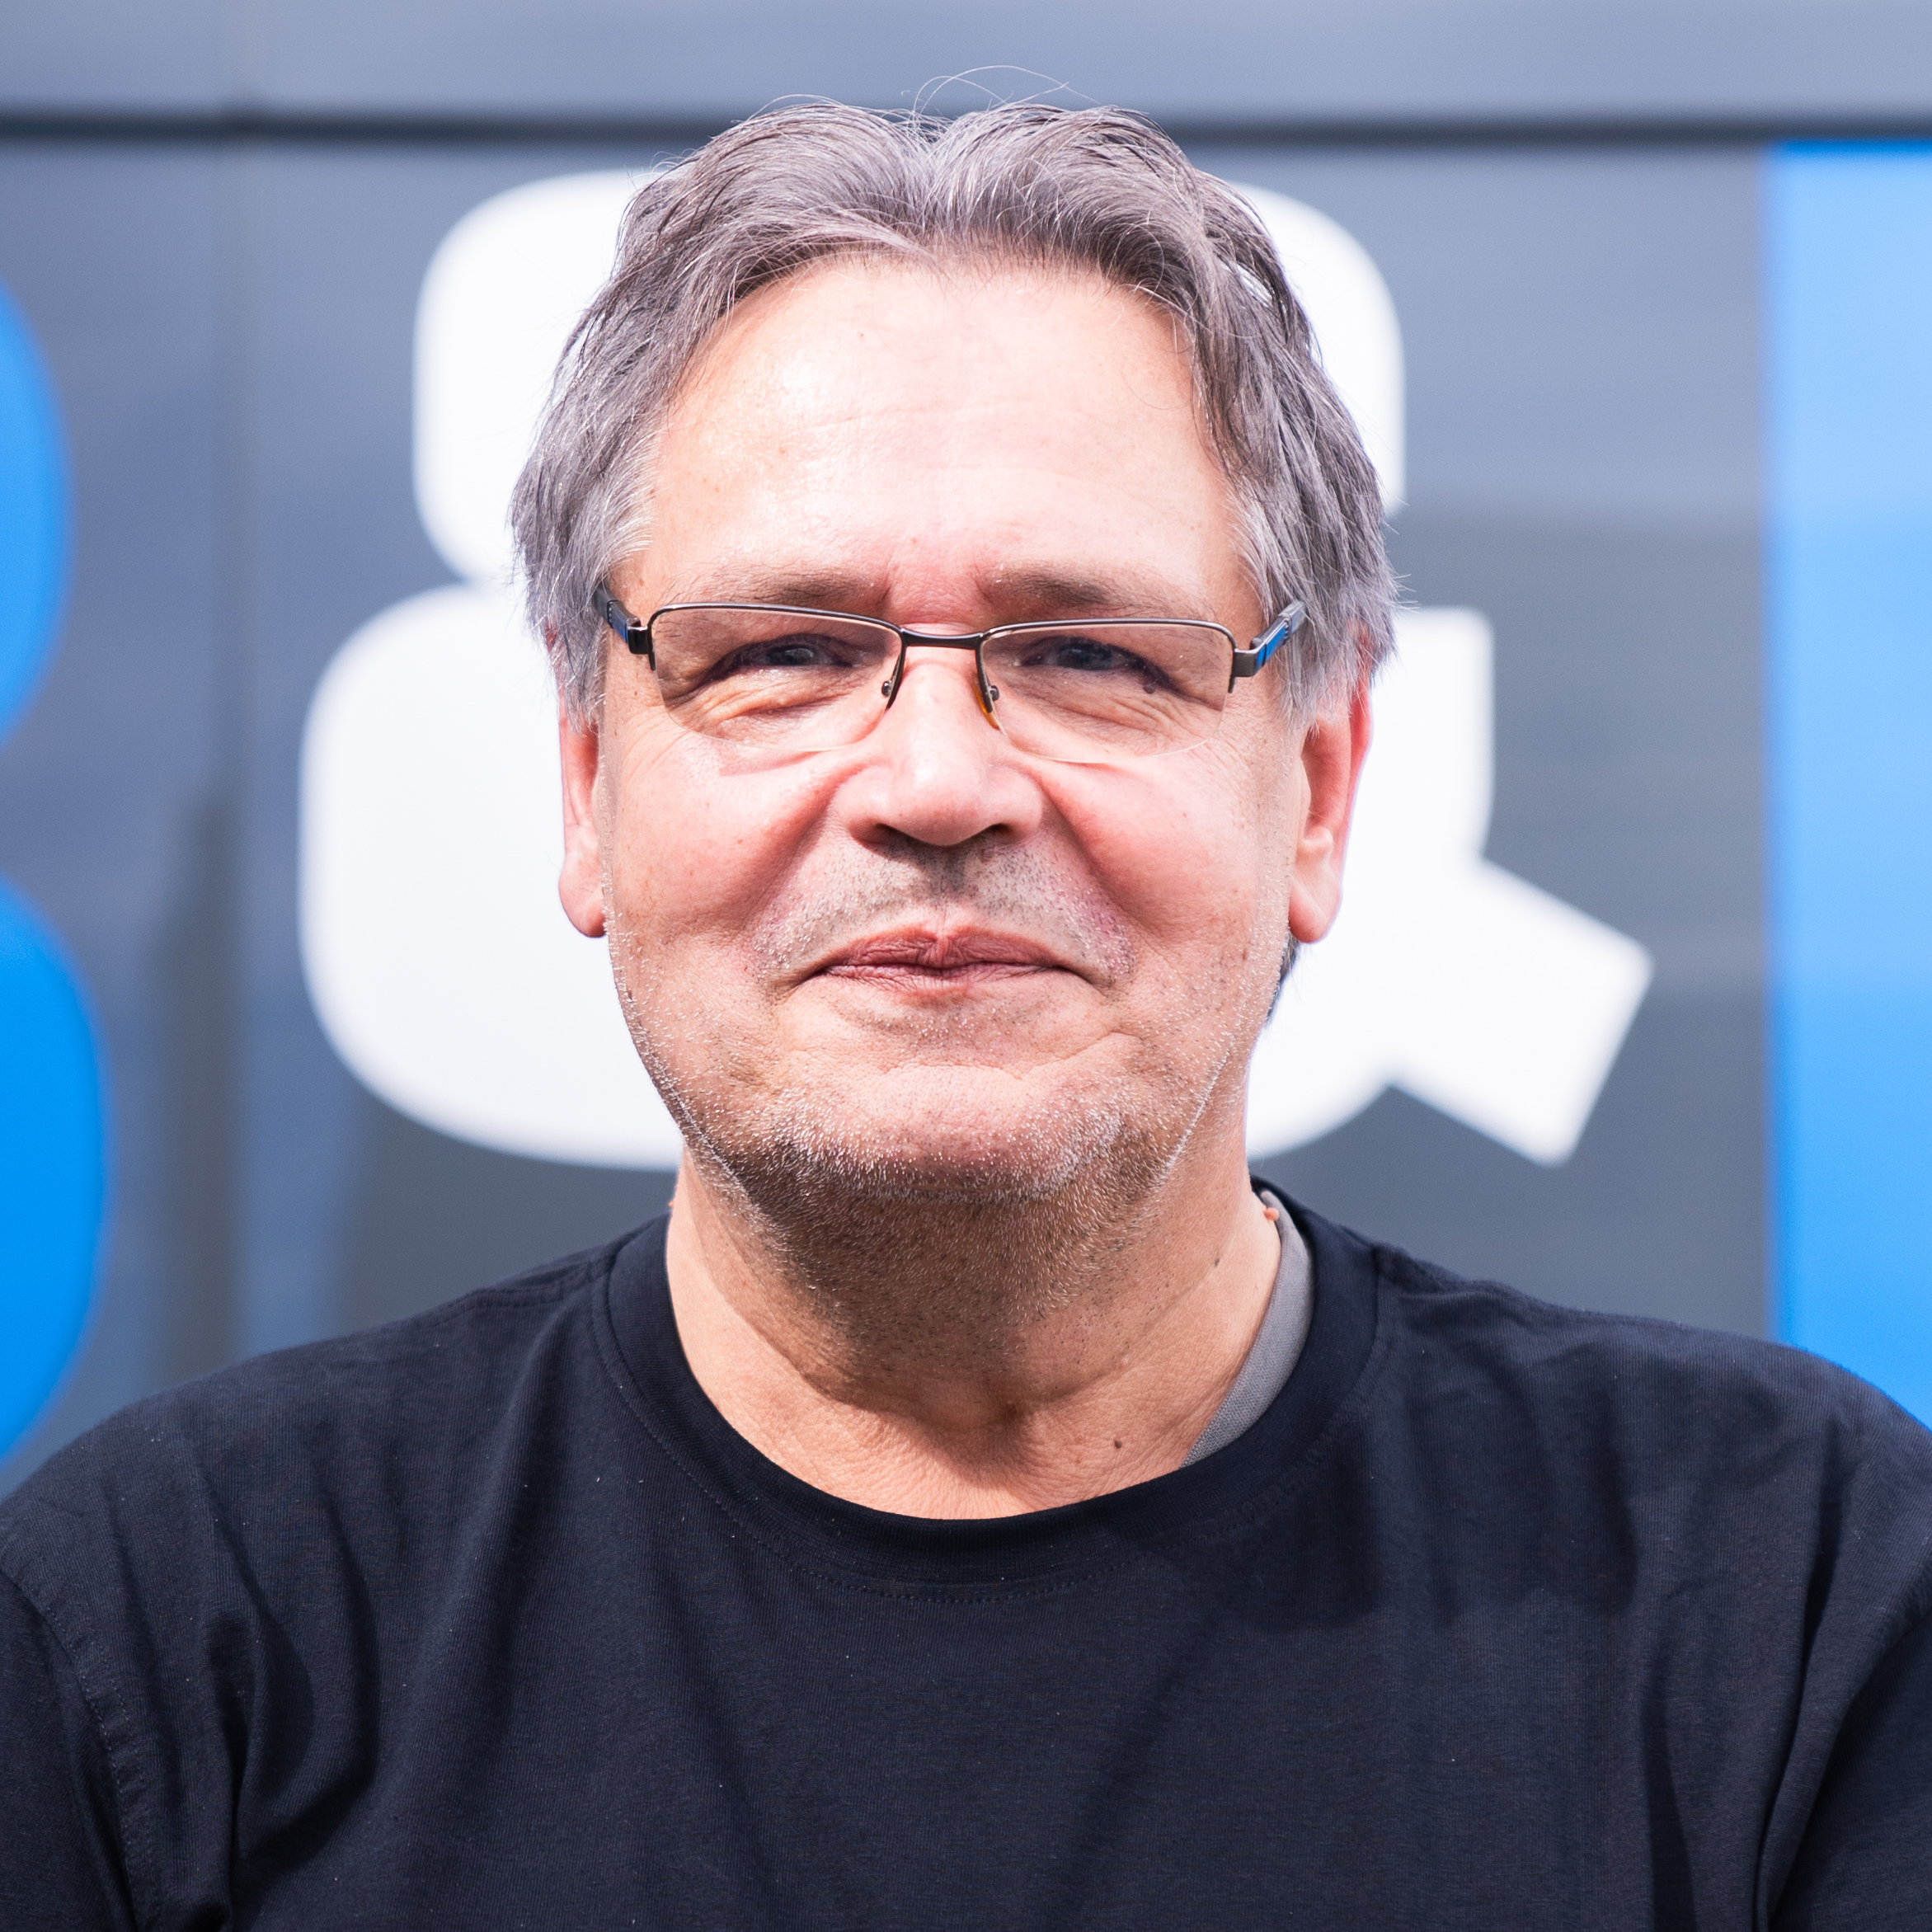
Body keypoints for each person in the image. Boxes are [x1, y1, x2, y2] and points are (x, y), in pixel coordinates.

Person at [3, 102, 1929, 1930]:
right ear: (586, 785)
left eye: (1087, 652)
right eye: (783, 652)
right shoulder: (165, 1646)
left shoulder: (1787, 1595)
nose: (935, 780)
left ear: (1319, 793)